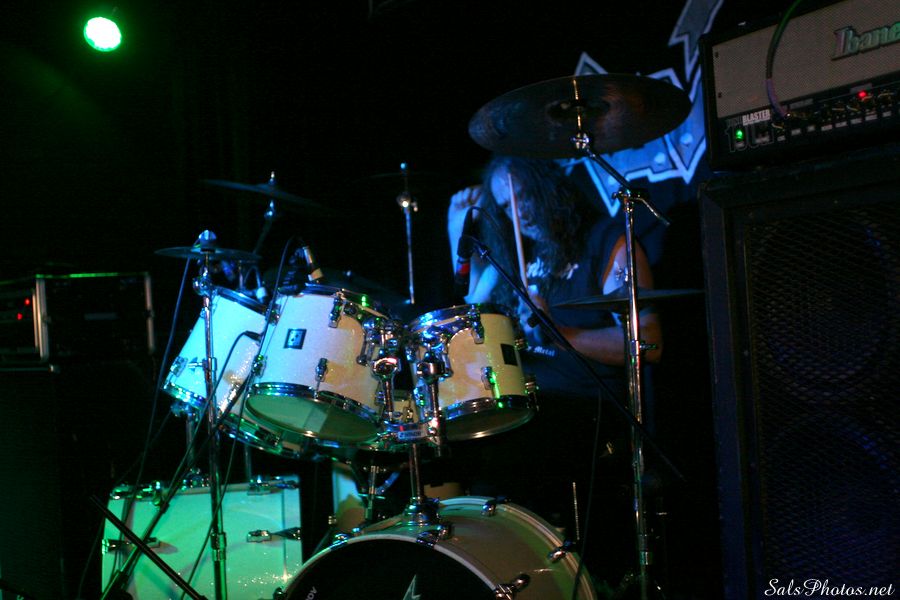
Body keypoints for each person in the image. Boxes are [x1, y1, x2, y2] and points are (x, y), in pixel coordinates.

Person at [443, 154, 663, 588]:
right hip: (526, 402)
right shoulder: (518, 255)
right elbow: (469, 313)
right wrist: (457, 232)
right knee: (440, 437)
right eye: (506, 207)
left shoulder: (607, 241)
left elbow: (649, 344)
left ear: (551, 190)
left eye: (525, 196)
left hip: (585, 406)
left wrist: (561, 333)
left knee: (501, 453)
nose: (519, 213)